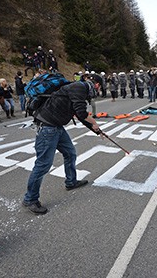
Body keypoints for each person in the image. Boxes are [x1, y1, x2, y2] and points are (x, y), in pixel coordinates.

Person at [23, 73, 103, 214]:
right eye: (99, 86)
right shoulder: (79, 87)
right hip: (48, 127)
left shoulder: (77, 88)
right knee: (43, 164)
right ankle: (30, 199)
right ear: (96, 84)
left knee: (70, 153)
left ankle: (71, 182)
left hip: (56, 126)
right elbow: (82, 113)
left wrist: (98, 131)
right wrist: (95, 123)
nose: (98, 89)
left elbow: (79, 115)